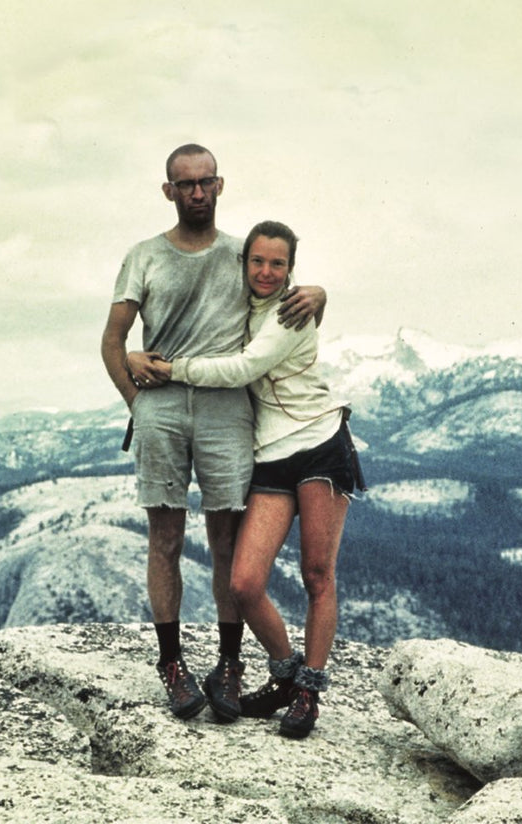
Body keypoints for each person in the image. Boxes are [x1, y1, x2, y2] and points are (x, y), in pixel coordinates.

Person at [100, 147, 326, 723]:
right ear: (168, 190)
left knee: (227, 540)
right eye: (185, 184)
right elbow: (112, 340)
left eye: (205, 182)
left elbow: (283, 286)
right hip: (163, 409)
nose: (196, 193)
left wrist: (322, 294)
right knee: (165, 539)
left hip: (228, 411)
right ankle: (171, 664)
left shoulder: (239, 256)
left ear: (220, 185)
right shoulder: (144, 256)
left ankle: (230, 664)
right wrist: (138, 403)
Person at [149, 220, 366, 739]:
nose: (267, 272)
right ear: (243, 263)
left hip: (319, 444)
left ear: (292, 269)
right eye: (258, 261)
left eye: (278, 264)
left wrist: (171, 369)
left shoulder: (292, 311)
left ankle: (308, 692)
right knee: (244, 584)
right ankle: (287, 672)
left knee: (318, 575)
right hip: (269, 453)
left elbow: (244, 368)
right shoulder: (243, 306)